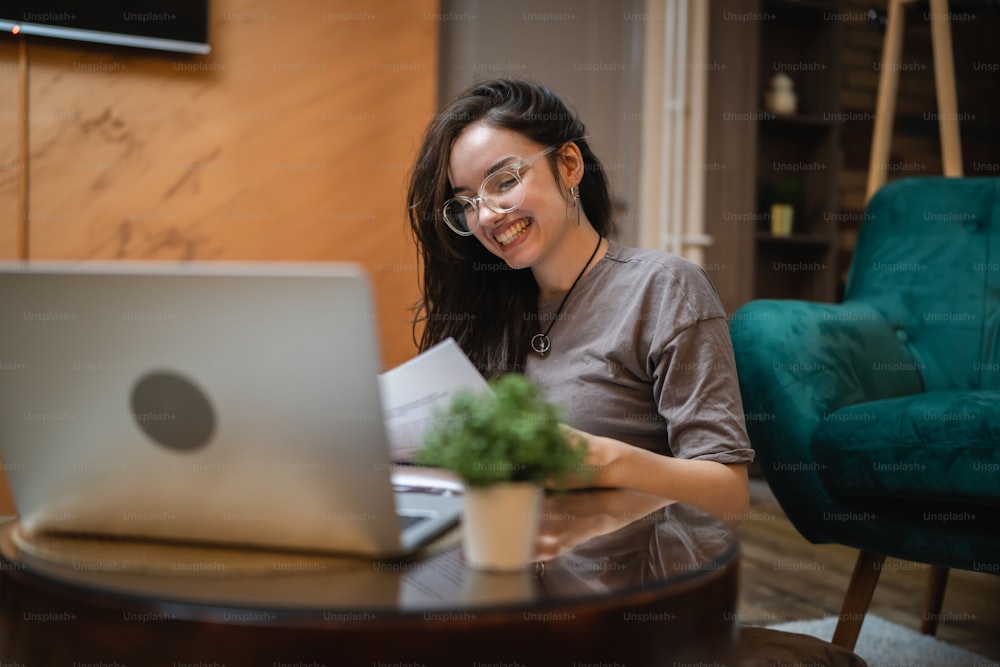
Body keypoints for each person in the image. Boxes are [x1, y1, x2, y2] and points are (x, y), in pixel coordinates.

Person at [406, 78, 753, 524]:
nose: (487, 215)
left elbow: (730, 495)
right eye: (467, 202)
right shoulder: (483, 311)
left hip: (621, 582)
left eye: (505, 180)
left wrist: (610, 463)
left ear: (569, 164)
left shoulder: (664, 288)